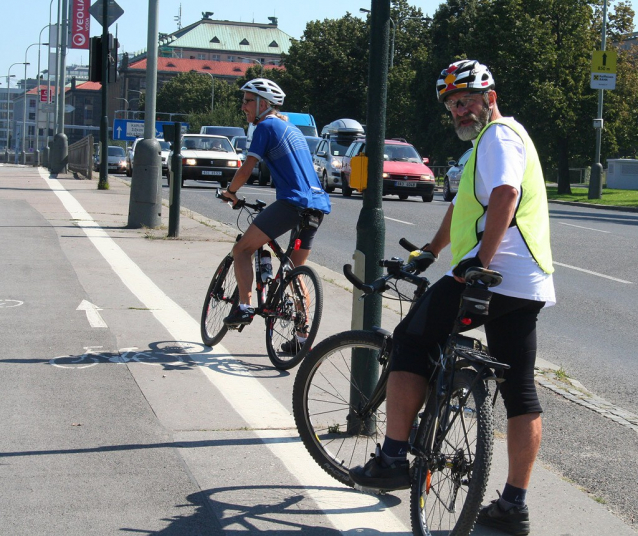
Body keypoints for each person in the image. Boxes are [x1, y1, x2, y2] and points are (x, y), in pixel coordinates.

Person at [349, 60, 556, 536]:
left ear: (490, 96)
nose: (459, 111)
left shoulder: (499, 137)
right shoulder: (497, 140)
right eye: (452, 105)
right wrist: (431, 251)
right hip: (527, 284)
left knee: (410, 340)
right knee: (519, 388)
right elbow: (468, 205)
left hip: (491, 275)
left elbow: (505, 194)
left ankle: (395, 456)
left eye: (466, 100)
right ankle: (512, 506)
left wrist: (480, 266)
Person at [221, 78, 331, 352]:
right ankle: (303, 338)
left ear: (263, 104)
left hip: (292, 203)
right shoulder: (291, 129)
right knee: (293, 270)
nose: (243, 106)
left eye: (247, 100)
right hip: (317, 205)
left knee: (242, 250)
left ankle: (244, 306)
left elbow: (247, 169)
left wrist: (231, 192)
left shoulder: (266, 126)